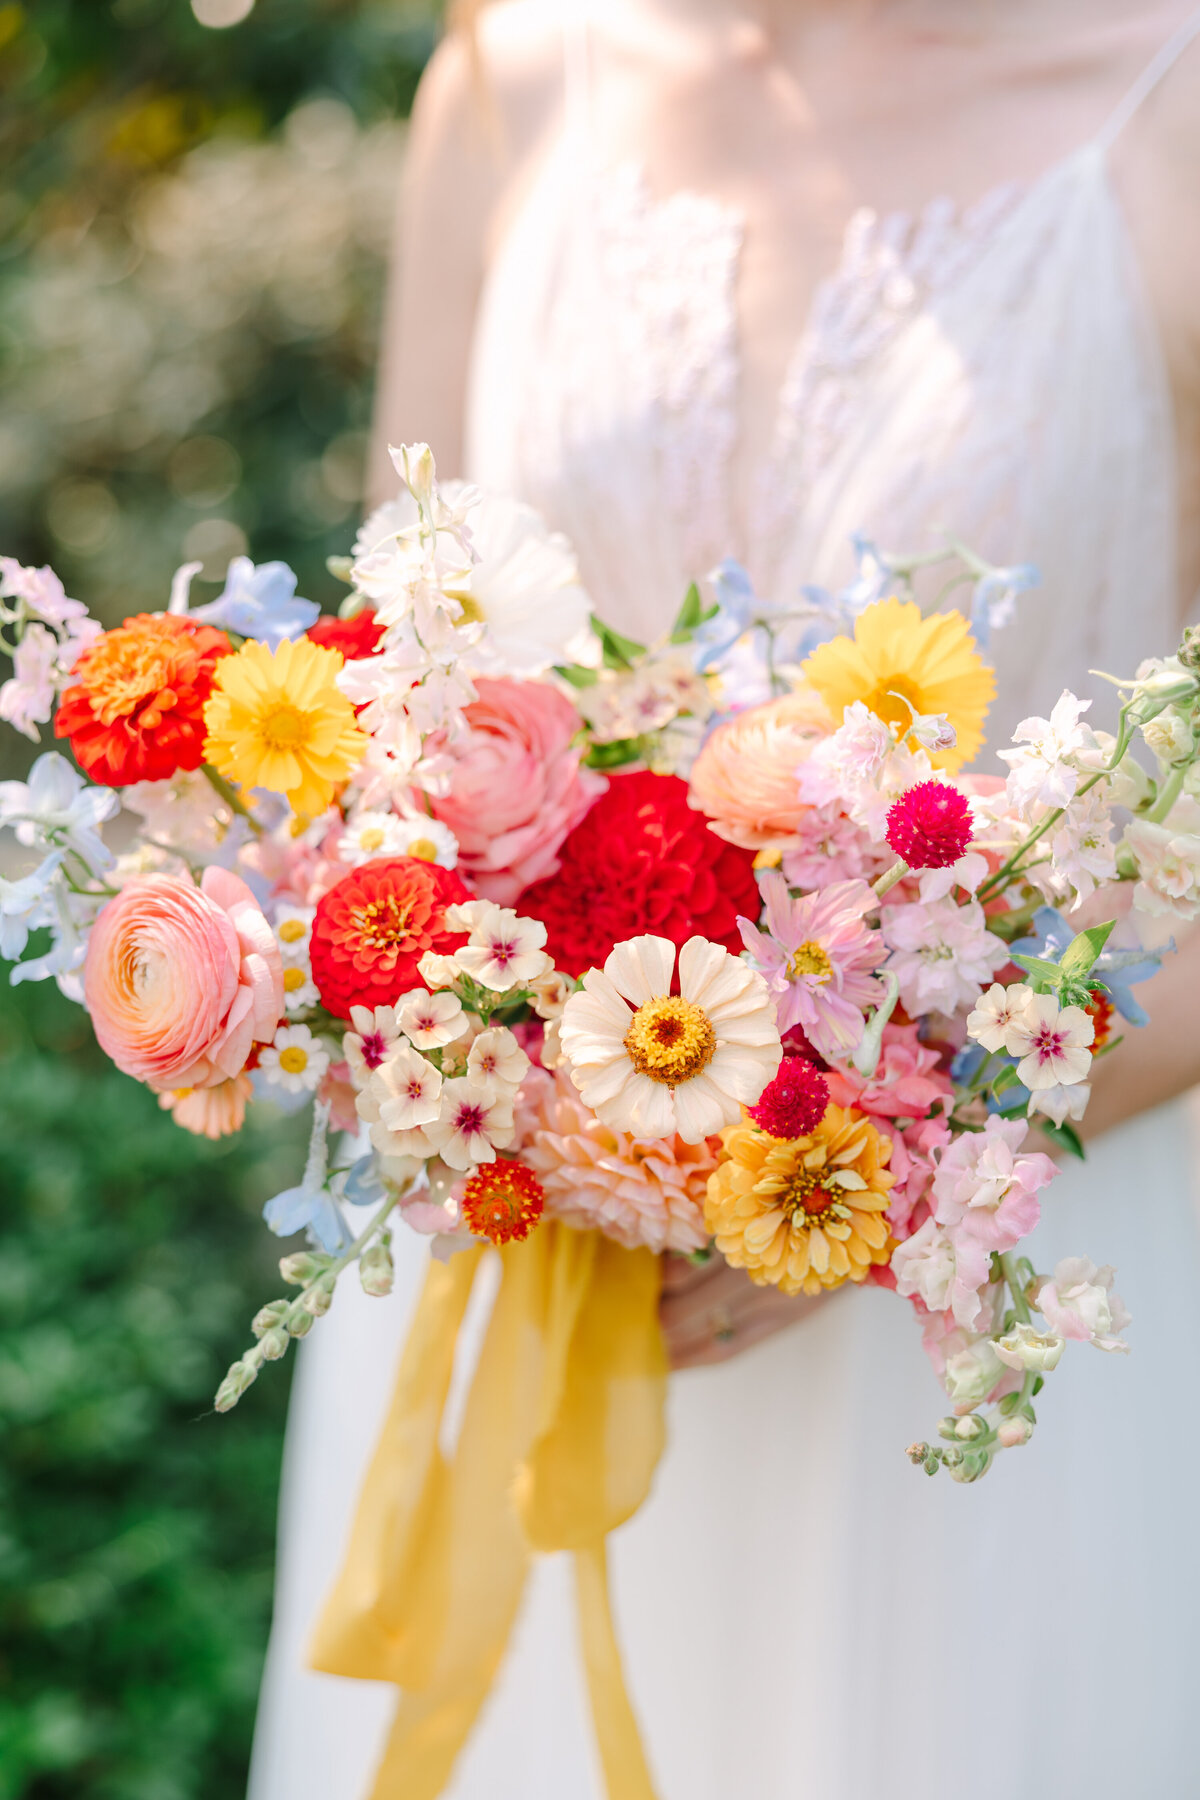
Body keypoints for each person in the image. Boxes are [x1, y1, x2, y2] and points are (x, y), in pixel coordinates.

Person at [249, 4, 1200, 1796]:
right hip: (520, 1246)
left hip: (991, 1276)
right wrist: (448, 1032)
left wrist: (900, 1147)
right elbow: (395, 664)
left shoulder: (1167, 109)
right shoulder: (517, 72)